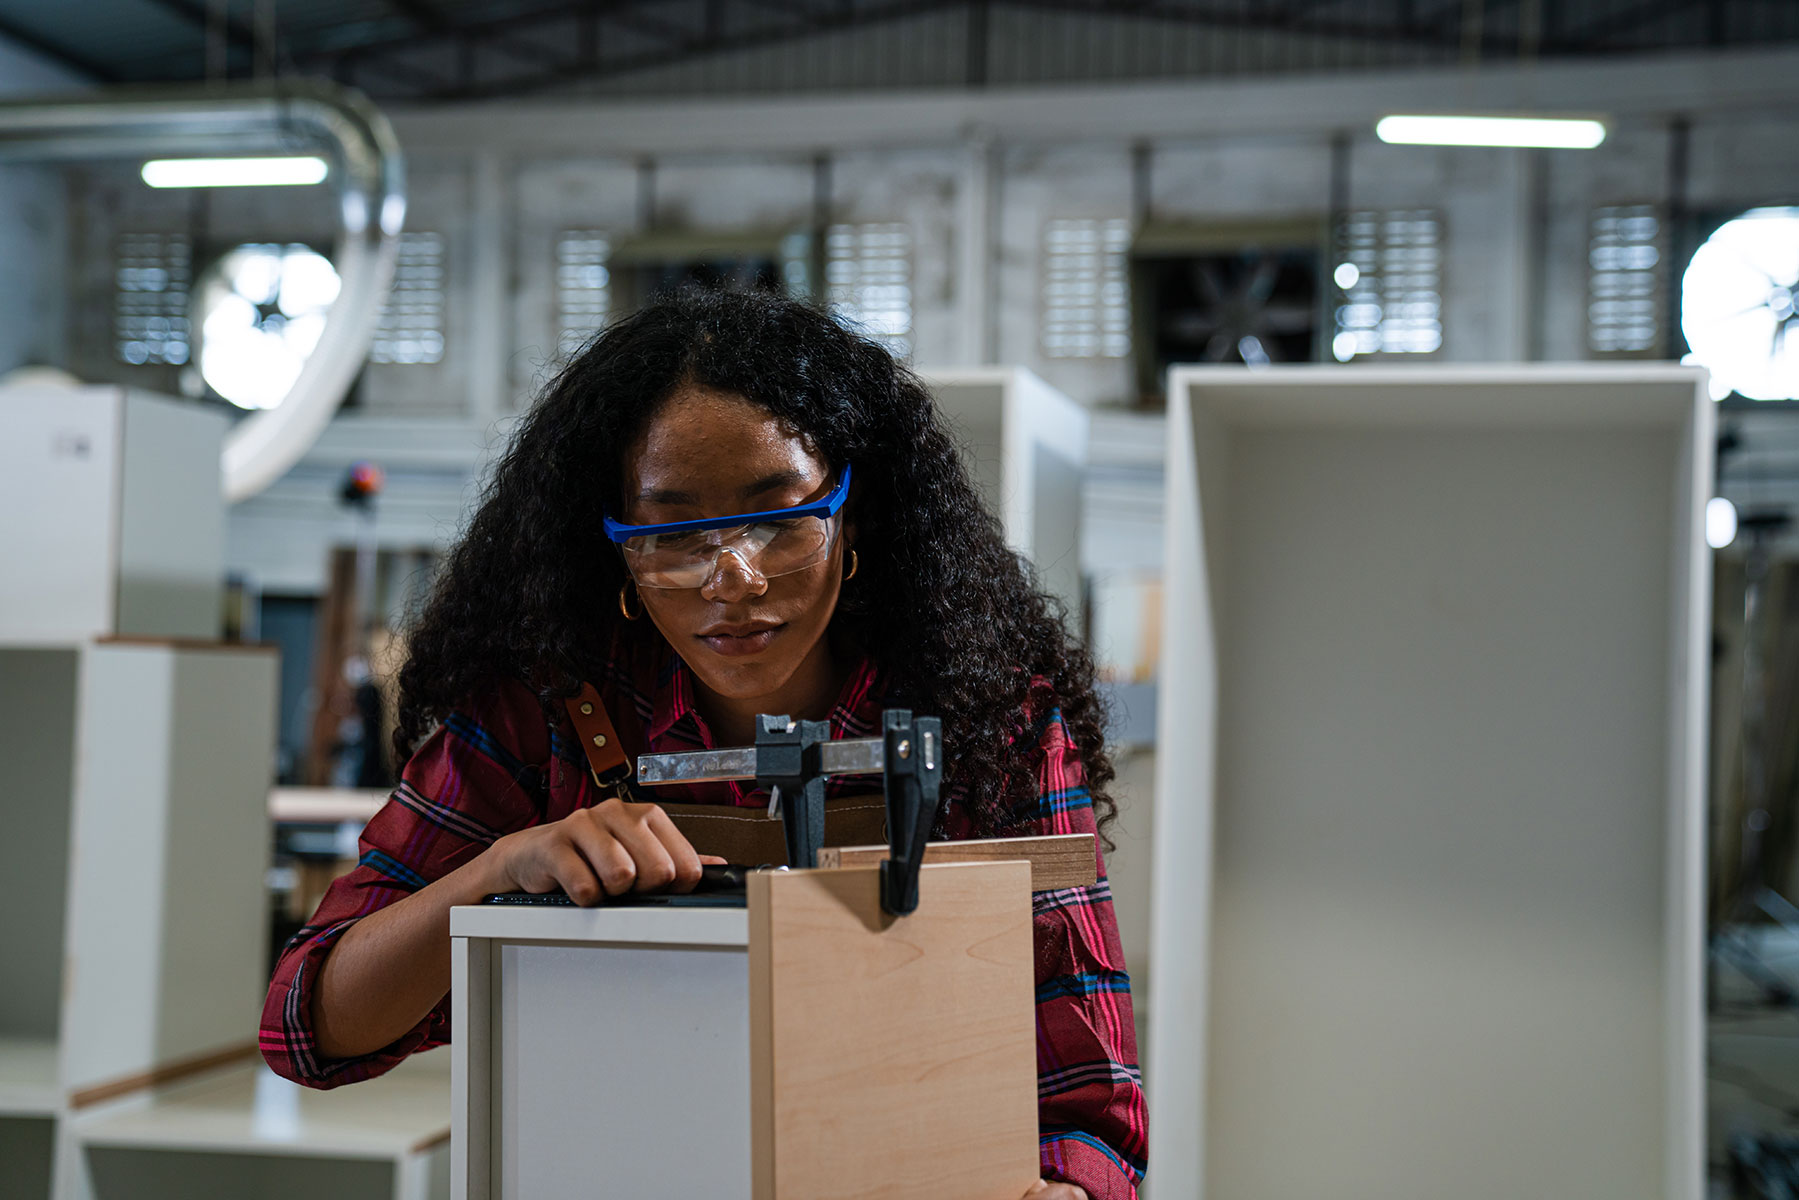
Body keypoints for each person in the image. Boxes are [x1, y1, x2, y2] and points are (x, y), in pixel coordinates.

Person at [260, 287, 1146, 1198]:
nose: (733, 580)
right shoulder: (544, 709)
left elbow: (1091, 1100)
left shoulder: (987, 716)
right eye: (674, 535)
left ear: (853, 519)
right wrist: (499, 870)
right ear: (615, 547)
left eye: (778, 517)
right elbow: (305, 1025)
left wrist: (1065, 1191)